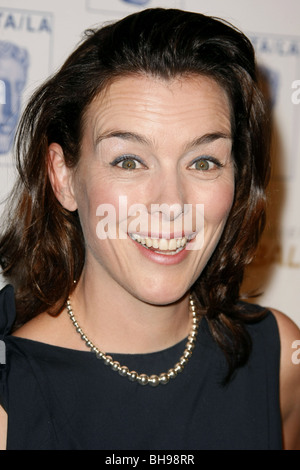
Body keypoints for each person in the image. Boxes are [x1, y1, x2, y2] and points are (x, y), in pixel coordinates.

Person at [0, 8, 299, 450]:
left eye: (203, 162)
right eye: (129, 161)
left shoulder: (279, 360)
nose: (171, 204)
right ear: (62, 177)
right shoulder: (10, 407)